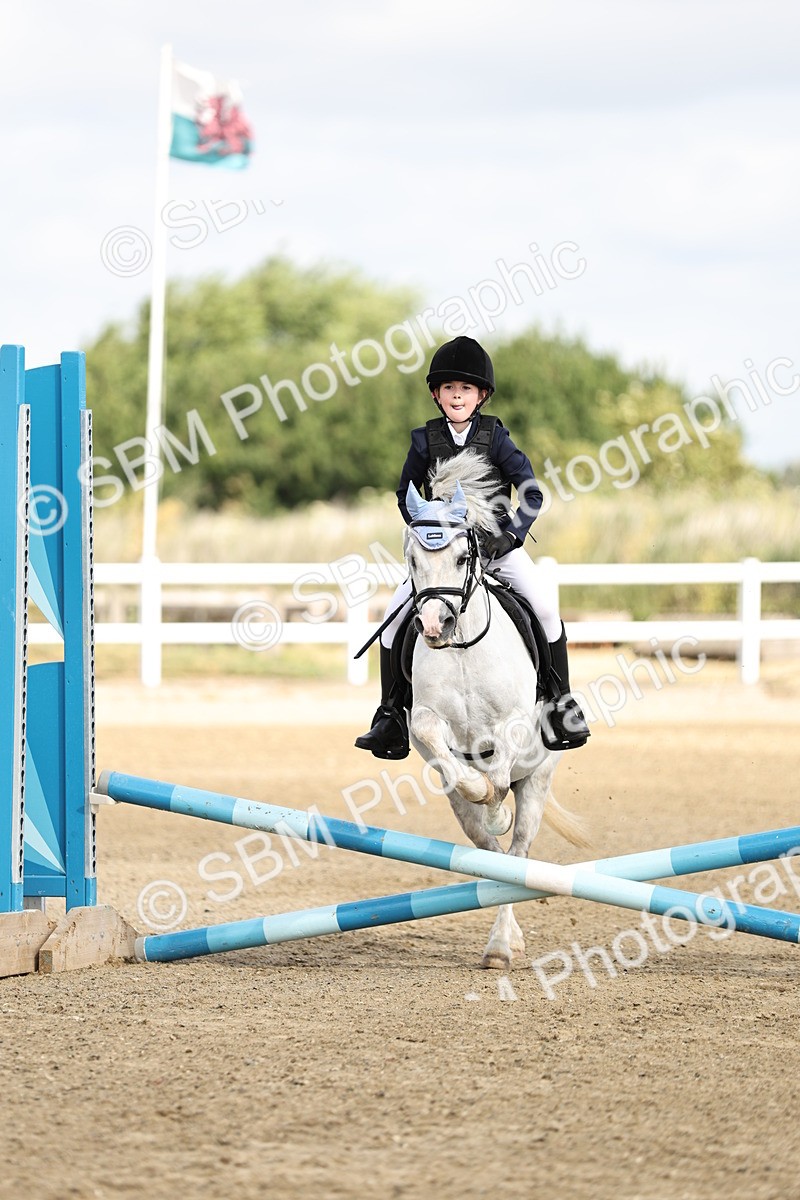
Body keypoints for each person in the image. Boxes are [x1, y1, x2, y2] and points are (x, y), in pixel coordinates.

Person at [354, 334, 590, 759]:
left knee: (544, 607)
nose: (457, 395)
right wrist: (428, 534)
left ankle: (561, 704)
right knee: (391, 620)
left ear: (481, 395)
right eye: (449, 388)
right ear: (436, 394)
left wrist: (510, 535)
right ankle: (390, 715)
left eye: (466, 388)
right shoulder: (424, 440)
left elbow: (531, 492)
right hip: (444, 558)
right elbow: (405, 494)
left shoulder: (495, 437)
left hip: (498, 548)